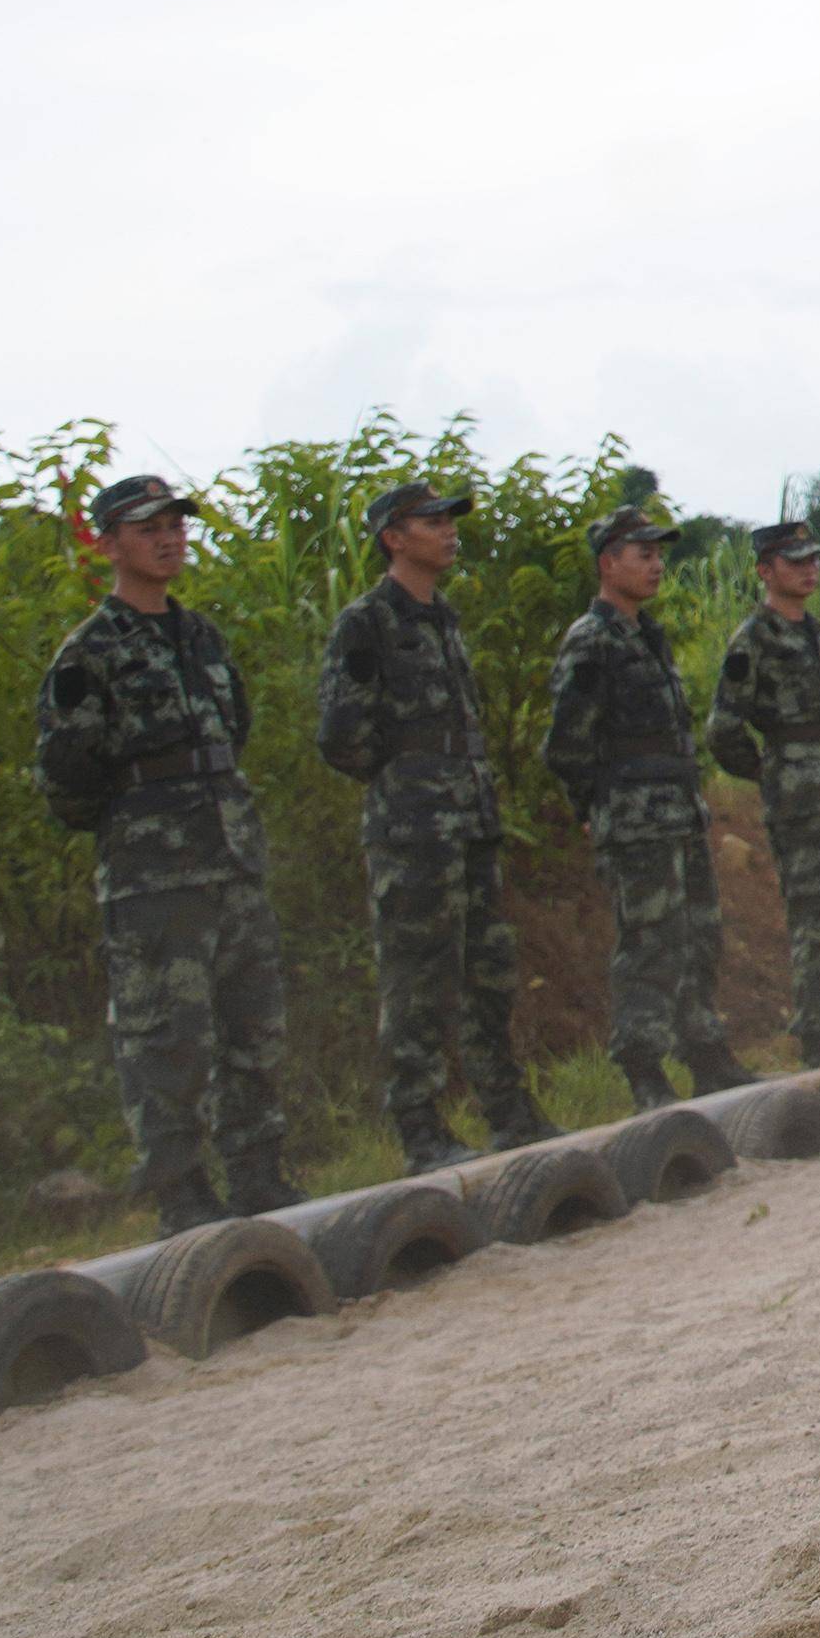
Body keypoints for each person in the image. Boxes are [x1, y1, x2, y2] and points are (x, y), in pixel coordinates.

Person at [34, 475, 296, 1231]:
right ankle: (180, 1193)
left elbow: (233, 731)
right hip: (154, 880)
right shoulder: (88, 654)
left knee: (254, 1027)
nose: (169, 535)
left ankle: (258, 1173)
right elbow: (65, 782)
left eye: (177, 521)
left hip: (232, 862)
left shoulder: (201, 637)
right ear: (107, 541)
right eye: (148, 524)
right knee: (167, 1039)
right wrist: (146, 821)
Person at [321, 479, 555, 1170]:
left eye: (450, 519)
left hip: (470, 820)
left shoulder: (443, 618)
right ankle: (420, 1127)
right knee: (416, 978)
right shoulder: (366, 622)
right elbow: (341, 736)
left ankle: (507, 1110)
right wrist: (407, 783)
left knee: (490, 969)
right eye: (432, 520)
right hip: (412, 830)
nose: (448, 529)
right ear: (394, 536)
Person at [549, 507, 752, 1108]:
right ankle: (643, 1067)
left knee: (699, 935)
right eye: (644, 555)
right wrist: (595, 807)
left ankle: (705, 1053)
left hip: (677, 813)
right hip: (634, 821)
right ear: (609, 563)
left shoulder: (646, 637)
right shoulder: (591, 642)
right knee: (650, 943)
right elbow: (566, 743)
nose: (657, 565)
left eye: (659, 554)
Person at [709, 520, 820, 1064]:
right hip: (802, 802)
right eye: (796, 561)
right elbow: (723, 729)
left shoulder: (814, 631)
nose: (811, 568)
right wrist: (774, 772)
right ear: (766, 570)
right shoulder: (754, 639)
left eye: (814, 559)